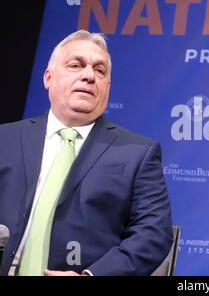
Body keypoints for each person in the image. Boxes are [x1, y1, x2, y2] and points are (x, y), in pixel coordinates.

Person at [0, 30, 173, 276]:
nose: (89, 76)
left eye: (100, 71)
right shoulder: (4, 139)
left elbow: (153, 234)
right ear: (48, 77)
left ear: (107, 87)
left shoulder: (137, 153)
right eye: (76, 65)